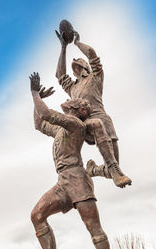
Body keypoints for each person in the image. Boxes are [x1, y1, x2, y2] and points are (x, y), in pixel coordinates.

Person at [30, 72, 121, 249]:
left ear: (76, 109)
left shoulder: (74, 124)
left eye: (74, 103)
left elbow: (45, 113)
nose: (68, 101)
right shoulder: (61, 129)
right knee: (37, 215)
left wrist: (34, 93)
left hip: (78, 180)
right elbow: (39, 123)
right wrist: (38, 98)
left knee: (94, 229)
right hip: (62, 182)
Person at [55, 30, 132, 188]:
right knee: (114, 168)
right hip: (85, 124)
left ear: (85, 67)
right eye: (73, 65)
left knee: (114, 167)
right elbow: (60, 75)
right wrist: (63, 48)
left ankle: (95, 170)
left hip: (103, 121)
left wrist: (77, 43)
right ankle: (111, 169)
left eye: (78, 63)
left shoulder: (95, 77)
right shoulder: (73, 88)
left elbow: (91, 53)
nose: (75, 65)